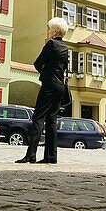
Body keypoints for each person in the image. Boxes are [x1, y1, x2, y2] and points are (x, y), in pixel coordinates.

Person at [17, 18, 70, 165]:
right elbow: (64, 67)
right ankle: (51, 157)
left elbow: (37, 63)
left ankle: (31, 155)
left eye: (50, 29)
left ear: (55, 31)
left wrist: (45, 69)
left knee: (38, 118)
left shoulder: (51, 44)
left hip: (49, 85)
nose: (48, 31)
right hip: (60, 86)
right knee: (52, 120)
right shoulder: (65, 48)